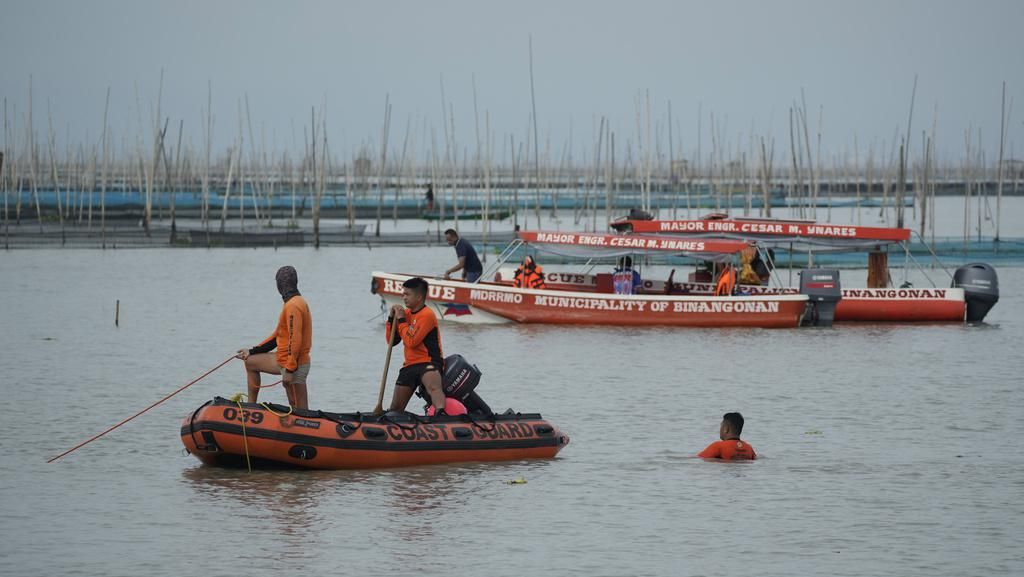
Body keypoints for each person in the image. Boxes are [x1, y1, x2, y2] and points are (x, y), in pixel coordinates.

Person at [235, 266, 312, 409]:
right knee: (250, 362)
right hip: (283, 359)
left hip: (295, 364)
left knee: (300, 410)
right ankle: (250, 408)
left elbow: (295, 339)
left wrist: (289, 370)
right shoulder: (294, 302)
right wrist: (252, 351)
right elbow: (277, 336)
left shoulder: (293, 306)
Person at [386, 277, 447, 414]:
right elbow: (391, 342)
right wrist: (391, 319)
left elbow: (411, 342)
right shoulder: (406, 314)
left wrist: (401, 320)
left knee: (433, 387)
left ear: (419, 297)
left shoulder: (427, 315)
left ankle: (441, 413)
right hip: (410, 364)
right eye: (403, 294)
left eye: (407, 294)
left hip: (429, 362)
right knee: (395, 409)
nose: (404, 298)